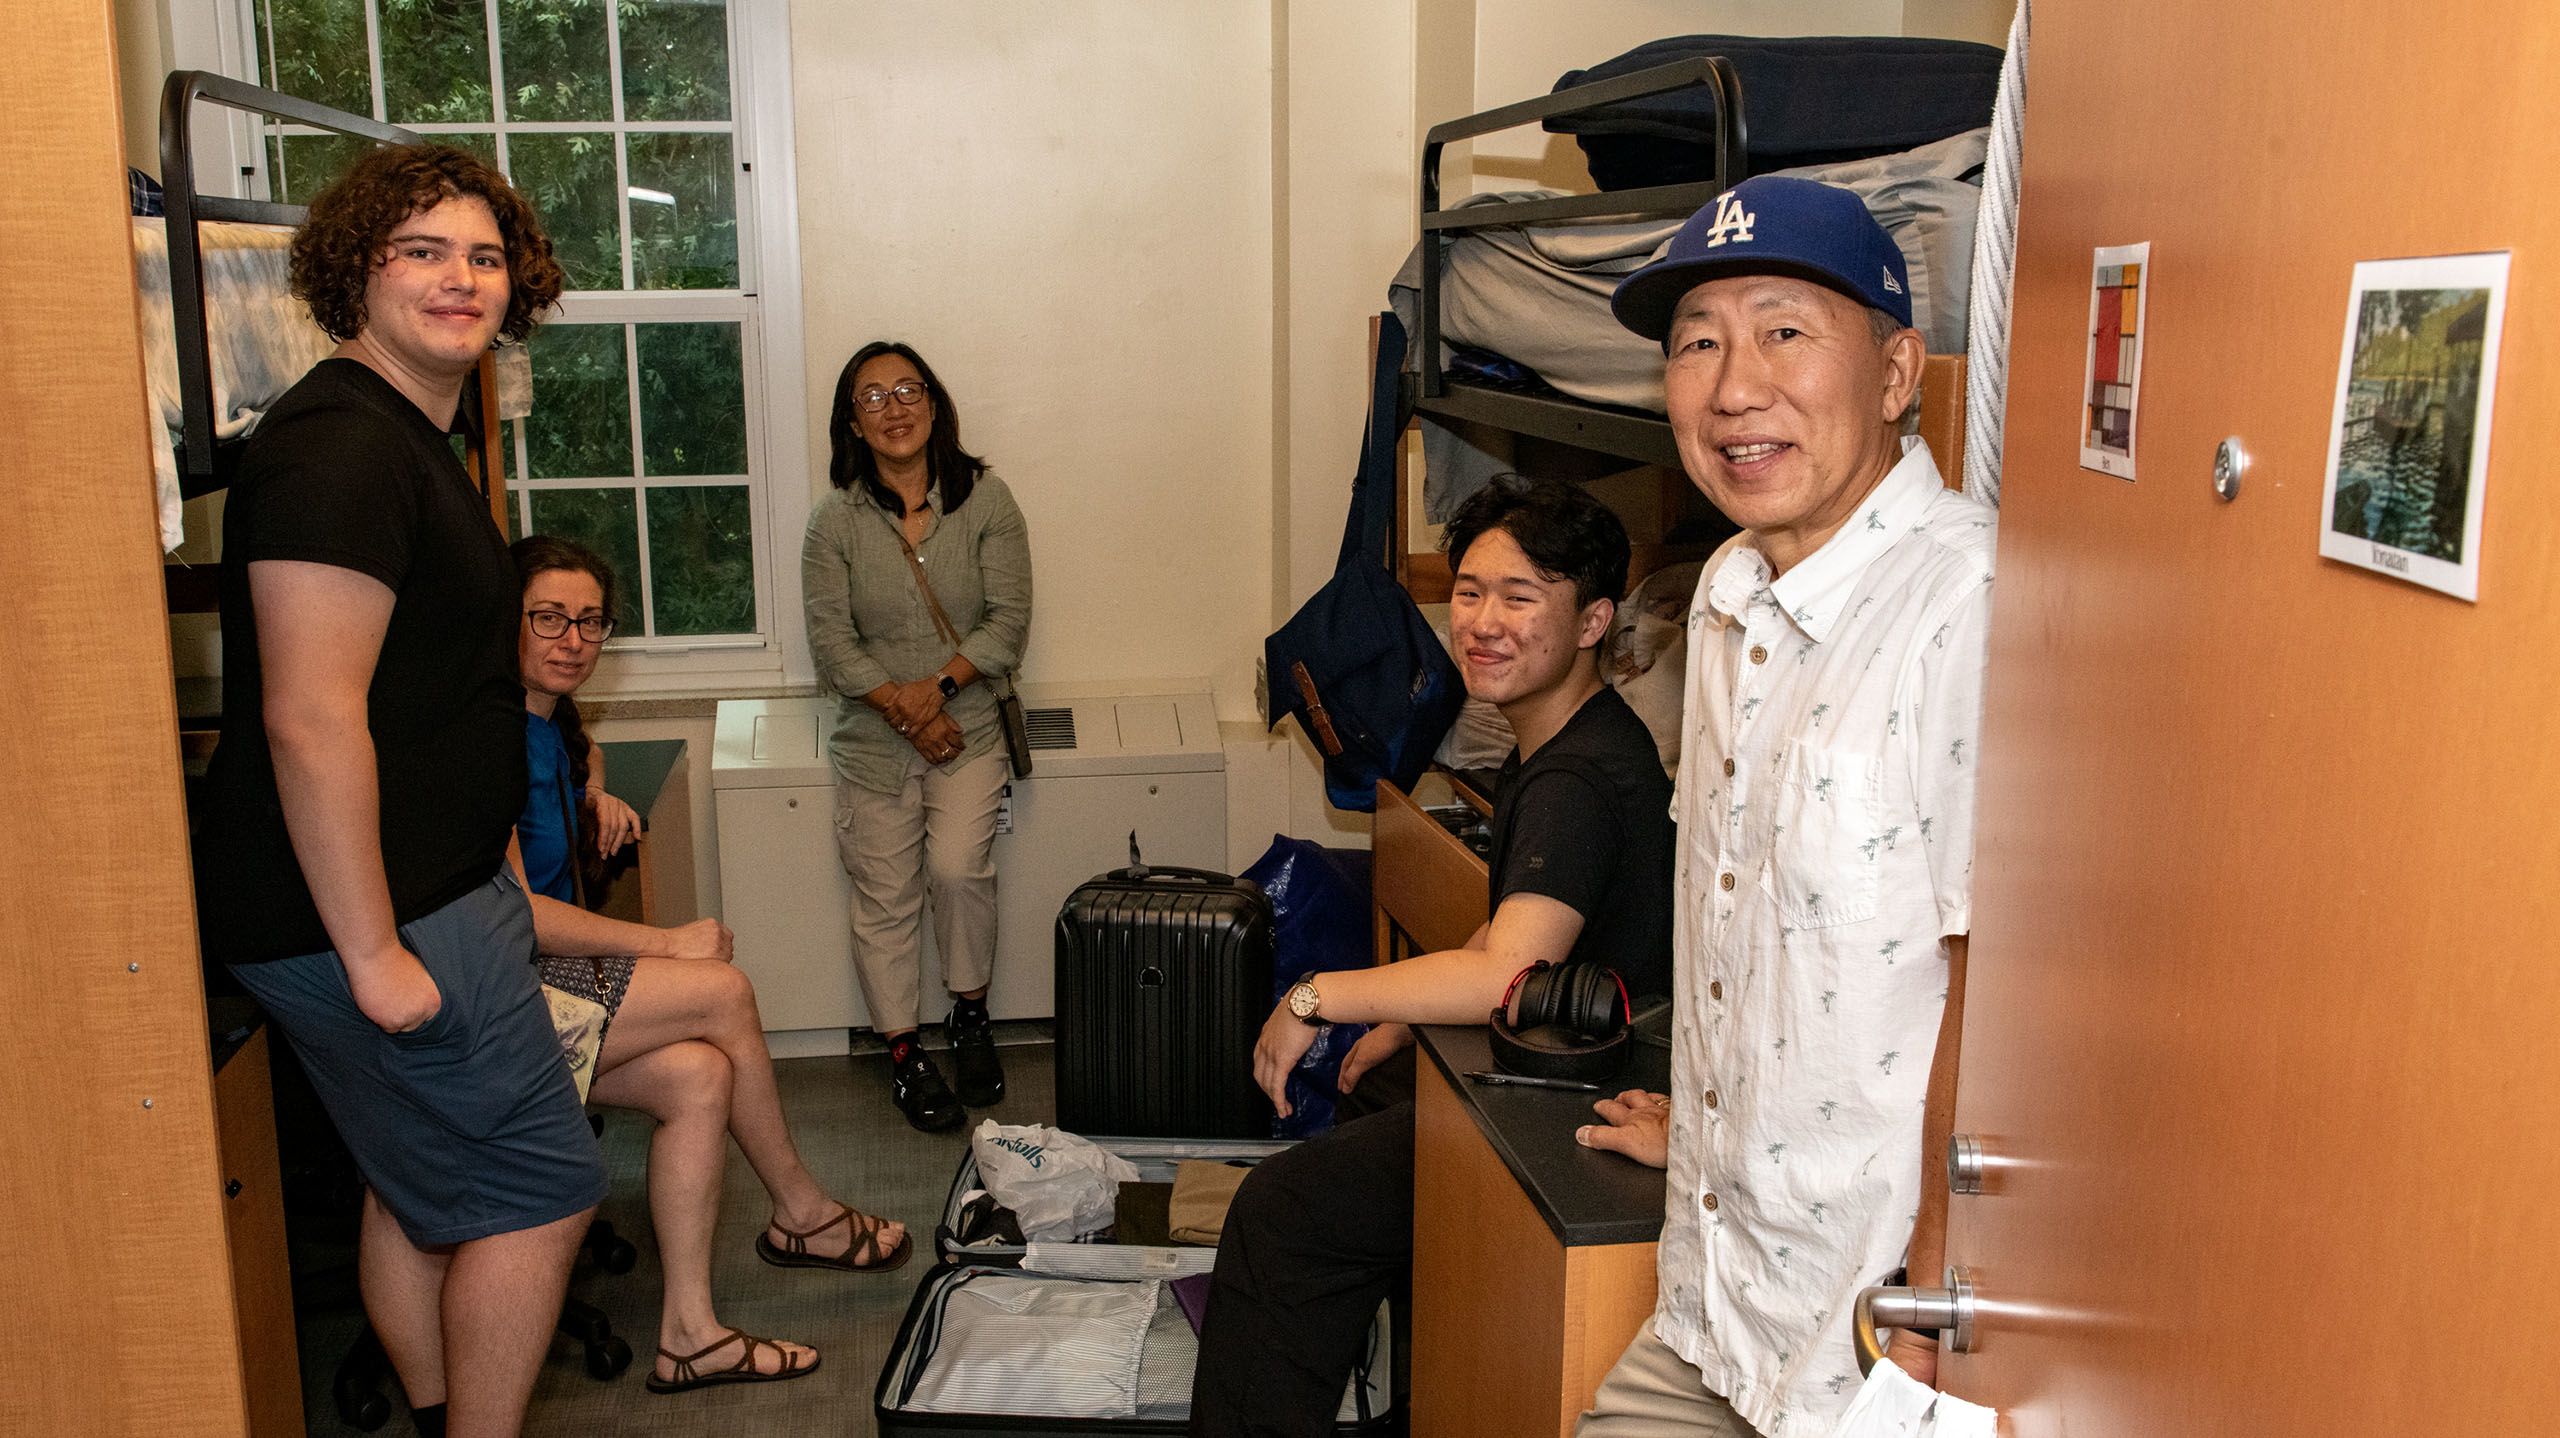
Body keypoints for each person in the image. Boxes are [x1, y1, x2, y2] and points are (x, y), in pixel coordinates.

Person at [1571, 175, 1996, 1437]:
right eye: (1696, 341)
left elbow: (2000, 978)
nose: (1732, 385)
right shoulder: (1723, 595)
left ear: (1896, 370)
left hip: (1873, 1336)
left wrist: (1937, 1294)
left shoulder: (1968, 603)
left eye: (1785, 332)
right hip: (1716, 1296)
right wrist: (1713, 1129)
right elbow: (1750, 917)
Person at [193, 143, 594, 1438]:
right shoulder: (340, 453)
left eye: (483, 255)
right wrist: (374, 954)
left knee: (418, 1192)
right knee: (540, 1185)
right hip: (381, 916)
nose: (458, 278)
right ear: (352, 268)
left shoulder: (408, 430)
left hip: (417, 894)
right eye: (420, 250)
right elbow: (309, 720)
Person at [1190, 477, 1676, 1438]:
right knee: (1376, 1094)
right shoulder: (1563, 736)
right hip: (1564, 1060)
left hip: (1583, 1107)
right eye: (1467, 590)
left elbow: (1510, 975)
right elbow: (1512, 938)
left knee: (1282, 1214)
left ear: (1593, 623)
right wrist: (1401, 1016)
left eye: (1521, 597)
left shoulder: (1578, 777)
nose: (1483, 622)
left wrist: (1315, 997)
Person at [505, 534, 912, 1395]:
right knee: (721, 988)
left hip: (546, 987)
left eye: (589, 622)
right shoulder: (485, 739)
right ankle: (801, 1212)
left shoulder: (548, 730)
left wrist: (596, 790)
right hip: (503, 998)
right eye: (547, 618)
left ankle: (688, 1334)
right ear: (504, 623)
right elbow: (514, 912)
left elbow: (565, 778)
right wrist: (665, 942)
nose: (572, 639)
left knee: (697, 1077)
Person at [802, 341, 1033, 1132]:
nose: (894, 407)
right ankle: (905, 1052)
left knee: (960, 870)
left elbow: (1007, 624)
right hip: (871, 743)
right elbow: (833, 647)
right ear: (854, 425)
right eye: (873, 397)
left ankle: (969, 1016)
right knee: (884, 898)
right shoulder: (832, 523)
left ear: (935, 406)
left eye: (909, 390)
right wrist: (903, 711)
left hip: (966, 731)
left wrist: (934, 695)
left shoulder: (988, 502)